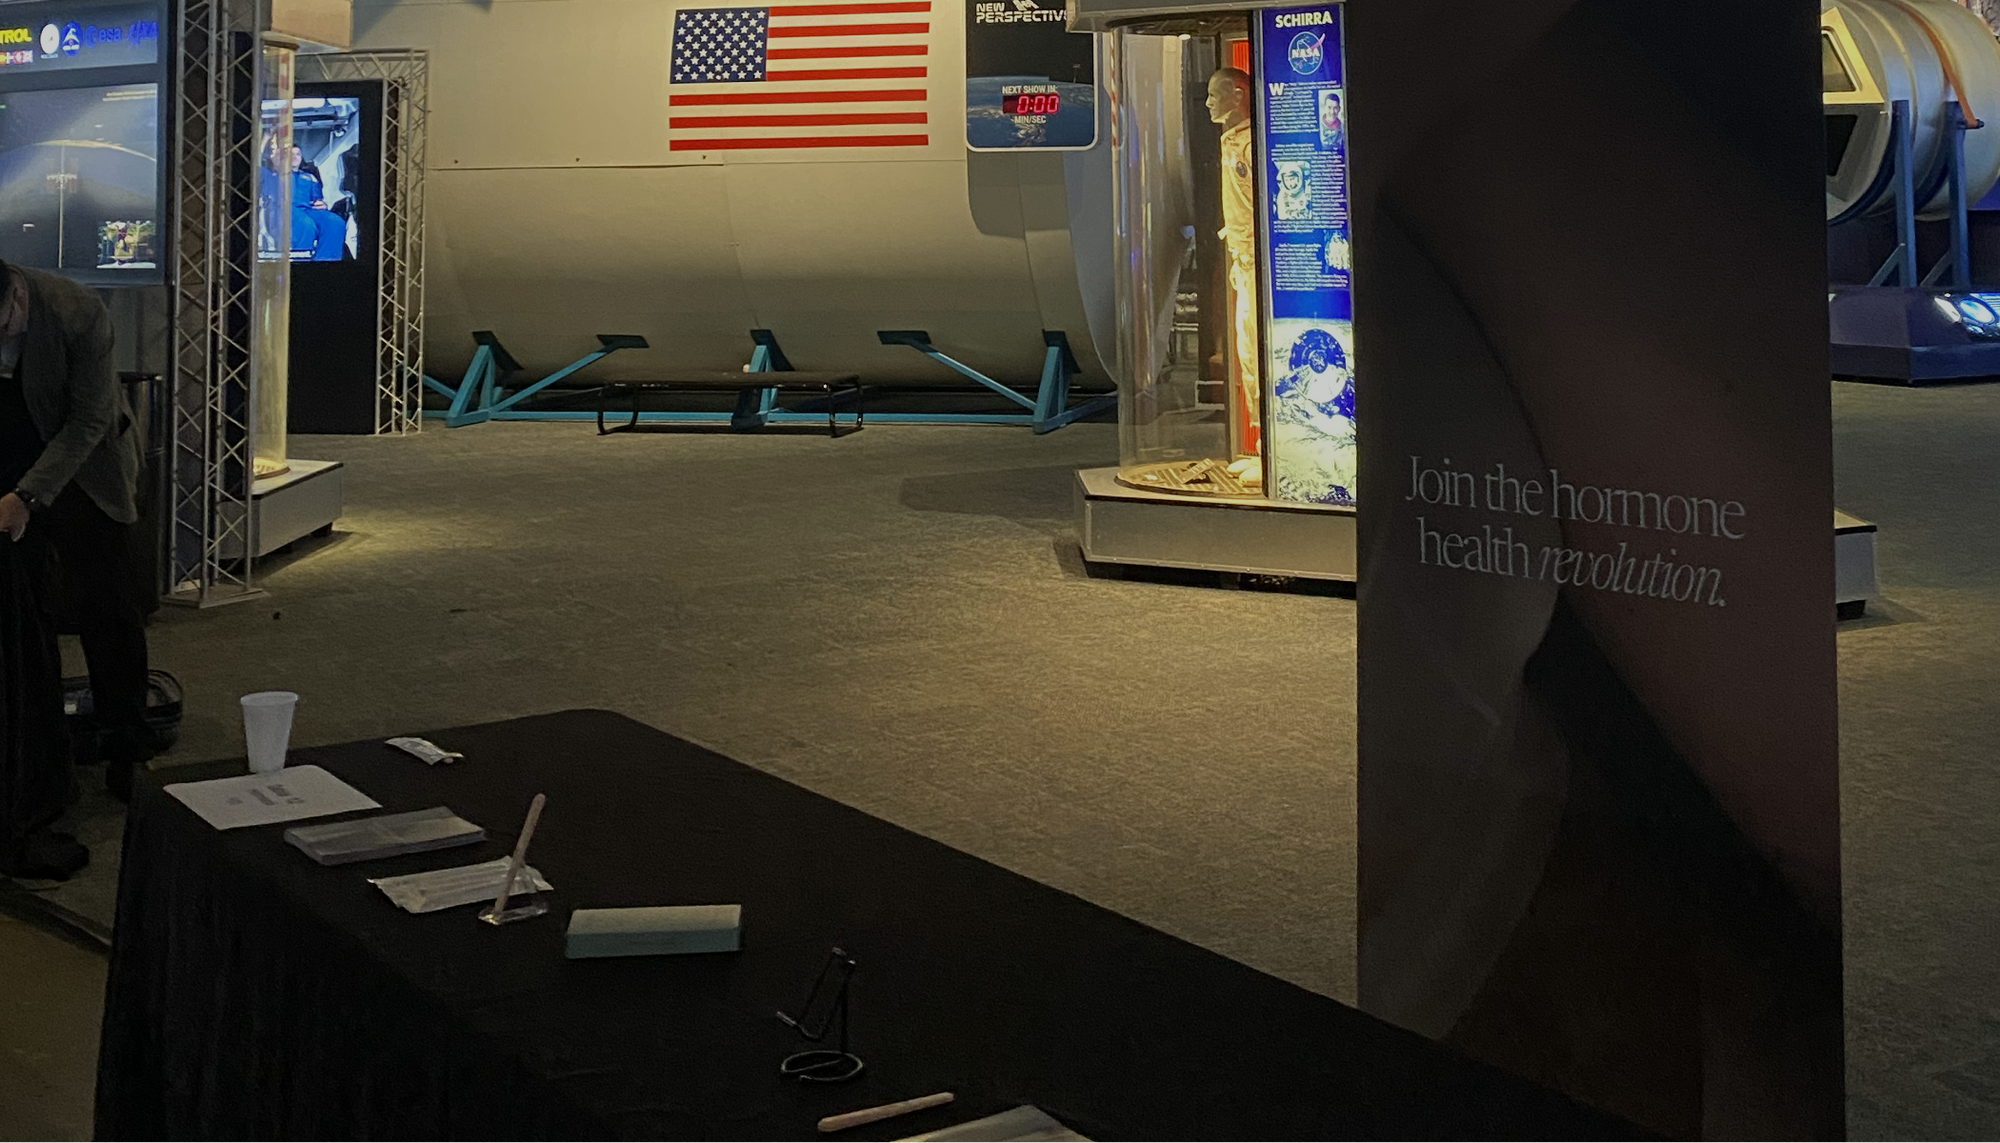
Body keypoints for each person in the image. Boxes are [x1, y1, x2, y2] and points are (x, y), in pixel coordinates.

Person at [0, 259, 150, 824]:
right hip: (11, 457)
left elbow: (90, 420)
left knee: (106, 609)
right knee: (22, 613)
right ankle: (37, 752)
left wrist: (28, 496)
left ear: (17, 296)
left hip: (86, 470)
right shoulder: (9, 306)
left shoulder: (76, 310)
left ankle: (128, 748)